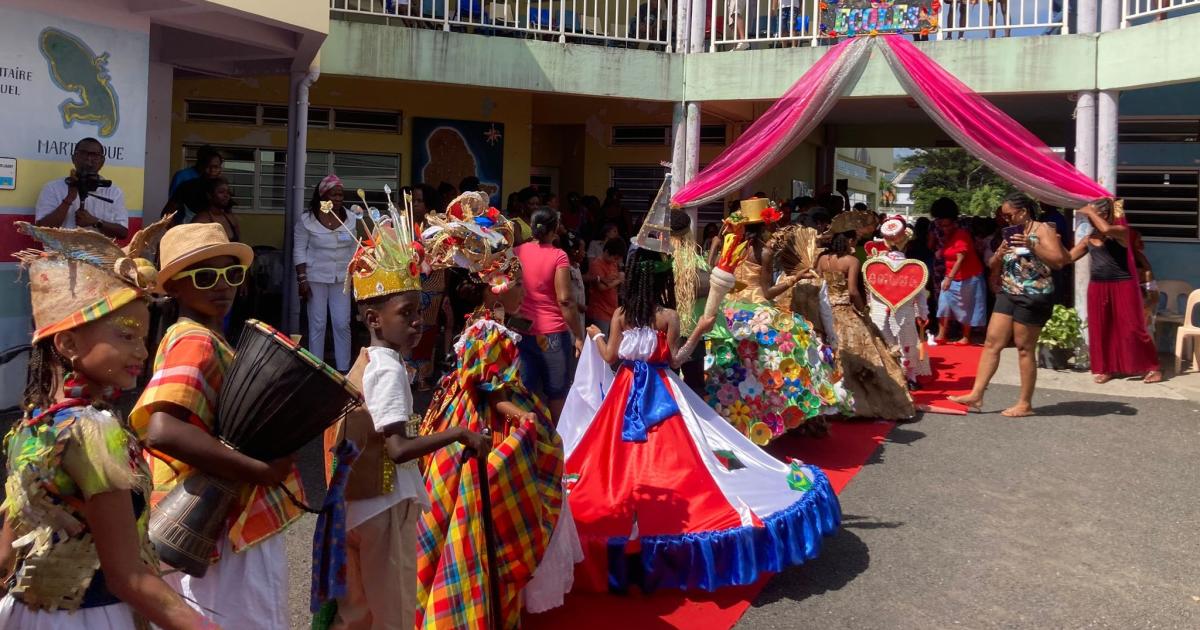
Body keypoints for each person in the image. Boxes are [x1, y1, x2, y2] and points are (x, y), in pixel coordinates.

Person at [560, 246, 841, 595]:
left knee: (613, 462)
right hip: (663, 393)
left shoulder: (620, 314)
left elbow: (610, 357)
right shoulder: (668, 317)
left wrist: (594, 334)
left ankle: (635, 520)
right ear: (663, 282)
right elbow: (676, 360)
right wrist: (701, 329)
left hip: (624, 394)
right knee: (685, 456)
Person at [1, 218, 212, 629]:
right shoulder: (94, 431)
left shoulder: (30, 428)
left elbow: (5, 554)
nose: (142, 351)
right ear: (68, 344)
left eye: (145, 338)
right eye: (127, 335)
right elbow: (128, 576)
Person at [320, 213, 490, 629]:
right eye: (406, 313)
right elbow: (397, 449)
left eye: (420, 311)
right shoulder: (389, 369)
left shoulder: (365, 362)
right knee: (393, 608)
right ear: (374, 318)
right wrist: (460, 433)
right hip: (385, 506)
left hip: (358, 507)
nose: (417, 322)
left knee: (358, 610)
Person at [131, 223, 303, 629]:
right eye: (205, 277)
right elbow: (163, 430)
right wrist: (261, 471)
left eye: (232, 274)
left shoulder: (196, 336)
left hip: (213, 517)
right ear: (173, 287)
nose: (222, 286)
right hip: (222, 522)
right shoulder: (197, 341)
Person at [418, 199, 578, 626]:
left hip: (464, 414)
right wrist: (525, 418)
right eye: (521, 283)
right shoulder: (490, 327)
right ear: (500, 287)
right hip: (481, 423)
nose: (527, 291)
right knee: (483, 514)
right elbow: (487, 387)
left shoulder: (486, 321)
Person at [705, 199, 850, 443]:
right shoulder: (764, 251)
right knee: (798, 342)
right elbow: (767, 292)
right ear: (764, 225)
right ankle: (783, 414)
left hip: (728, 312)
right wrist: (796, 278)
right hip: (757, 310)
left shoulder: (732, 244)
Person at [950, 193, 1072, 417]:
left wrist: (1031, 245)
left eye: (1008, 215)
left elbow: (1058, 261)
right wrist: (998, 255)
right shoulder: (1009, 235)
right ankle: (976, 394)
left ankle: (1025, 404)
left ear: (1023, 212)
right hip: (1009, 291)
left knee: (1024, 349)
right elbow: (993, 265)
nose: (1004, 220)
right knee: (991, 343)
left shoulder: (1043, 230)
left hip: (1034, 294)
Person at [816, 216, 915, 420]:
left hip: (823, 312)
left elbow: (818, 286)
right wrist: (864, 311)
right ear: (850, 240)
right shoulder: (852, 260)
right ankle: (858, 405)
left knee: (830, 357)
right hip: (845, 312)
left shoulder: (822, 259)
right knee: (863, 355)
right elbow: (853, 291)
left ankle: (830, 402)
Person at [1070, 199, 1163, 384]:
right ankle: (1107, 368)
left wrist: (1090, 211)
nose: (1089, 219)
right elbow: (1066, 258)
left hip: (1123, 285)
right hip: (1097, 287)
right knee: (1102, 328)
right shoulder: (1089, 238)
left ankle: (1152, 368)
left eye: (1093, 214)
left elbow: (1105, 229)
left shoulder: (1122, 232)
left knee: (1132, 329)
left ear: (1105, 215)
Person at [515, 208, 583, 421]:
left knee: (524, 394)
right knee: (557, 394)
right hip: (552, 333)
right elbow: (565, 299)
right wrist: (579, 336)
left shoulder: (517, 252)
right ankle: (557, 445)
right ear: (554, 230)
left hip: (521, 330)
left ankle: (523, 442)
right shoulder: (558, 256)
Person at [295, 174, 358, 373]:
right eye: (334, 195)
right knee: (318, 323)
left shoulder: (350, 218)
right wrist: (302, 279)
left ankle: (343, 369)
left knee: (342, 323)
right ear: (323, 196)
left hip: (342, 279)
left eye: (341, 195)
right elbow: (299, 250)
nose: (338, 198)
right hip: (315, 278)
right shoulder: (307, 220)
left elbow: (354, 250)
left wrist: (356, 276)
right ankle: (316, 367)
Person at [866, 218, 931, 389]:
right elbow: (921, 295)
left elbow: (869, 293)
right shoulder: (915, 267)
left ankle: (889, 376)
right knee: (907, 343)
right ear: (907, 244)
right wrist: (922, 314)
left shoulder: (873, 265)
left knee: (884, 343)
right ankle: (910, 378)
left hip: (879, 312)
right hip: (905, 313)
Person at [34, 137, 128, 240]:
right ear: (74, 158)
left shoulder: (114, 192)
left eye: (95, 155)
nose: (88, 160)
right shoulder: (52, 188)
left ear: (102, 161)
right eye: (83, 154)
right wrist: (68, 199)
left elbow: (122, 233)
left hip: (99, 255)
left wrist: (95, 222)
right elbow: (41, 231)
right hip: (61, 255)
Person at [931, 197, 986, 345]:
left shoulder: (961, 233)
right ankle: (942, 334)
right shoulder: (949, 235)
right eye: (941, 225)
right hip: (952, 275)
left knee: (967, 306)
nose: (944, 228)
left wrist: (949, 278)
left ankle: (966, 336)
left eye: (946, 225)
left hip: (968, 275)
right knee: (943, 304)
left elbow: (960, 258)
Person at [668, 209, 711, 392]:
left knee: (669, 386)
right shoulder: (695, 260)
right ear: (688, 231)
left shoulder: (660, 257)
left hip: (666, 331)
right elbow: (707, 286)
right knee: (695, 387)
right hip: (691, 331)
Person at [165, 149, 224, 225]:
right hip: (190, 231)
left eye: (216, 167)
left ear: (220, 169)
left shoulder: (223, 187)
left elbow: (228, 213)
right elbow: (167, 212)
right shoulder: (188, 186)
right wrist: (175, 231)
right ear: (201, 167)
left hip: (216, 233)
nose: (212, 170)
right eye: (208, 166)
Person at [584, 237, 625, 336]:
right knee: (601, 343)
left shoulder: (613, 264)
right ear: (606, 252)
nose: (615, 261)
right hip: (599, 312)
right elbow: (601, 287)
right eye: (614, 258)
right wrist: (619, 280)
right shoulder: (597, 264)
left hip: (612, 311)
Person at [192, 176, 241, 242]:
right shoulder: (201, 221)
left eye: (228, 192)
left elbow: (239, 246)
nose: (226, 195)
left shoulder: (232, 219)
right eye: (221, 192)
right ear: (209, 195)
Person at [562, 231, 588, 331]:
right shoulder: (565, 269)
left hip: (578, 315)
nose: (585, 253)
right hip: (570, 315)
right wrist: (579, 306)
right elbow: (563, 295)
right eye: (583, 250)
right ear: (574, 251)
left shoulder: (576, 267)